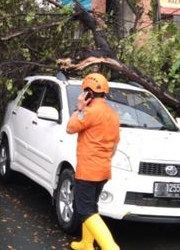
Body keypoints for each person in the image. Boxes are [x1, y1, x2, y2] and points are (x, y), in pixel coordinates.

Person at [66, 73, 120, 250]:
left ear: (88, 93)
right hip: (103, 169)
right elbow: (115, 144)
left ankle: (110, 247)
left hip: (88, 170)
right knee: (91, 207)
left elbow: (70, 128)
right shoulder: (112, 114)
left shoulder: (89, 111)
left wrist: (80, 108)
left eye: (83, 92)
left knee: (84, 210)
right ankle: (86, 243)